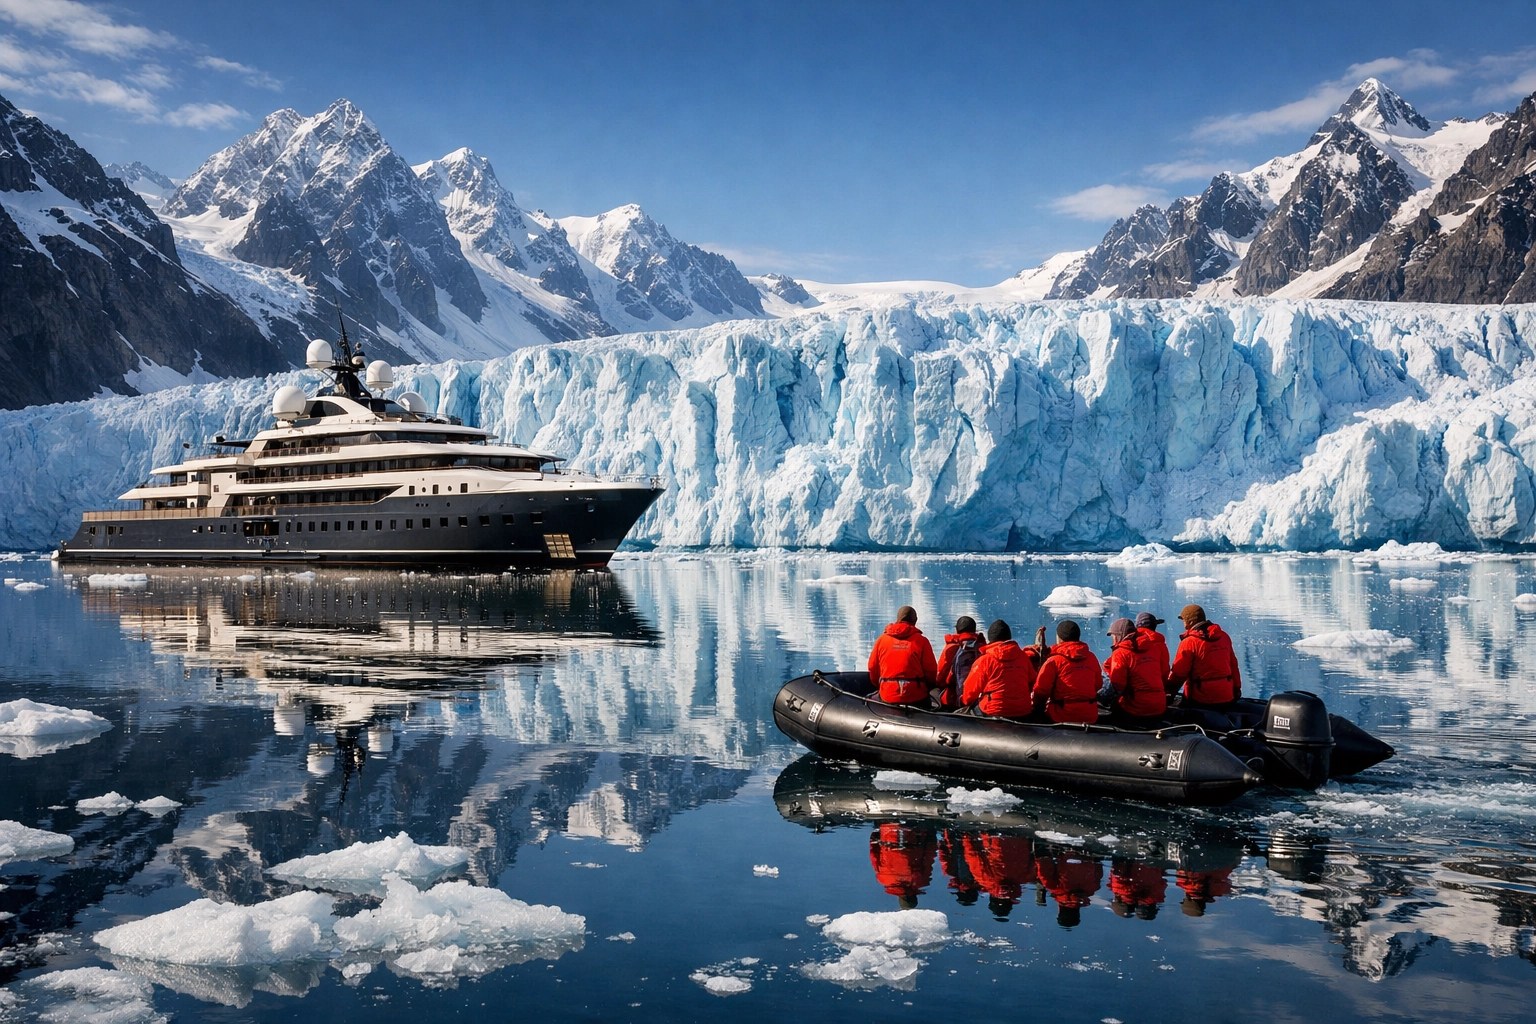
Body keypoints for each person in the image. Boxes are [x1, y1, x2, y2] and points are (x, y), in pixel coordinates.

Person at [959, 620, 1040, 717]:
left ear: (990, 639)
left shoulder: (985, 660)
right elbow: (1033, 681)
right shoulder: (1023, 657)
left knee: (965, 714)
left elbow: (970, 693)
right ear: (1009, 638)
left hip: (993, 710)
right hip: (1023, 710)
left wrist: (963, 701)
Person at [1166, 604, 1242, 706]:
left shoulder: (1190, 642)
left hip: (1200, 698)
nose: (1183, 624)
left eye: (1184, 620)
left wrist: (1169, 694)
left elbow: (1179, 674)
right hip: (1226, 696)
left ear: (1191, 622)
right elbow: (1233, 666)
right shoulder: (1224, 637)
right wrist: (1236, 689)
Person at [1032, 620, 1102, 723]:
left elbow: (1041, 691)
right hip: (1089, 715)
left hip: (1060, 715)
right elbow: (1098, 684)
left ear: (1059, 638)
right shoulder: (1091, 658)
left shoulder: (1054, 661)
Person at [1101, 617, 1167, 725]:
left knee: (1107, 712)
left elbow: (1118, 686)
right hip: (1159, 705)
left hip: (1137, 708)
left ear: (1119, 635)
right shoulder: (1153, 648)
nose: (1113, 641)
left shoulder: (1121, 653)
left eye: (1114, 637)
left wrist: (1099, 697)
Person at [868, 605, 938, 705]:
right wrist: (928, 687)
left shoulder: (882, 640)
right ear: (915, 620)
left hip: (888, 695)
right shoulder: (922, 641)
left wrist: (880, 685)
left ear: (898, 619)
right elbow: (931, 671)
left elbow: (872, 667)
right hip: (916, 696)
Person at [869, 822, 938, 909]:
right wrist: (875, 834)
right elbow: (874, 855)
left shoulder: (921, 881)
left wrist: (931, 836)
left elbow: (929, 856)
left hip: (914, 830)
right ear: (899, 899)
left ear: (915, 897)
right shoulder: (884, 879)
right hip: (887, 830)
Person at [932, 615, 986, 710]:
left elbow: (941, 675)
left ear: (957, 630)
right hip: (979, 699)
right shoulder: (983, 647)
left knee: (933, 692)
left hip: (953, 698)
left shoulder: (951, 647)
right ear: (974, 630)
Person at [1136, 611, 1171, 680]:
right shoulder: (1160, 644)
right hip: (1156, 685)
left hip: (1133, 687)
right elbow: (1164, 670)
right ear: (1154, 626)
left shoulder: (1129, 642)